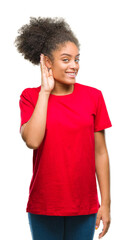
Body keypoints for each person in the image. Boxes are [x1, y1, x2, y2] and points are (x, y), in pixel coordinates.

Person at [14, 16, 112, 240]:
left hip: (84, 205)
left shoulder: (93, 96)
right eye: (66, 59)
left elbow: (101, 152)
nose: (74, 66)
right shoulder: (31, 96)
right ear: (47, 62)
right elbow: (32, 141)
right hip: (45, 204)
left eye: (76, 59)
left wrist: (105, 204)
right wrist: (45, 93)